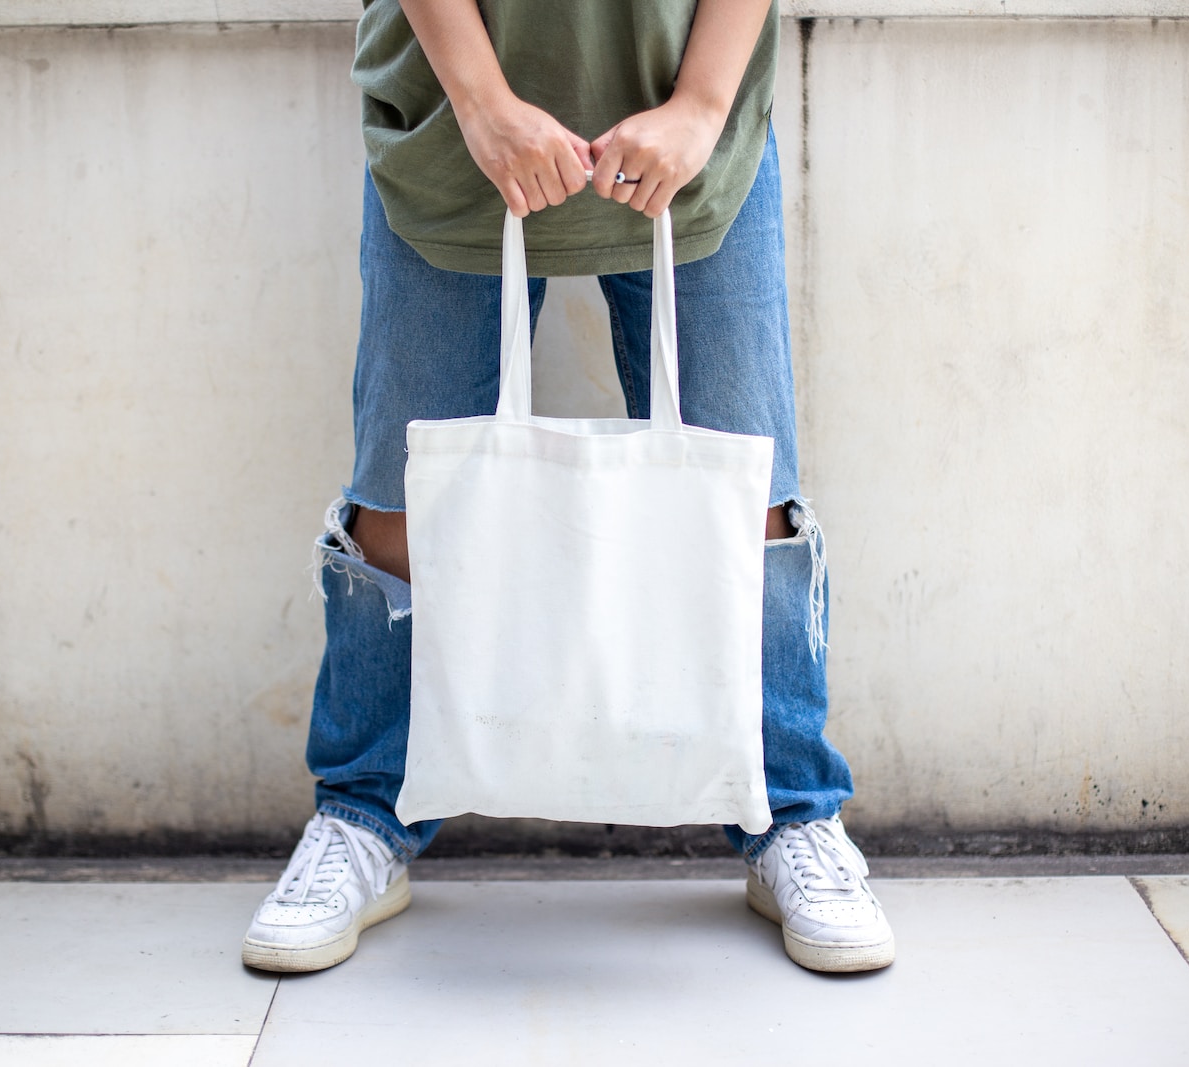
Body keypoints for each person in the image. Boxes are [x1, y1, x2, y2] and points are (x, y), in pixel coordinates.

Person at [240, 0, 895, 975]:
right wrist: (481, 102)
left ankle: (788, 811)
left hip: (689, 127)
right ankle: (364, 812)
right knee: (399, 502)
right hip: (450, 128)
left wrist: (704, 103)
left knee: (749, 498)